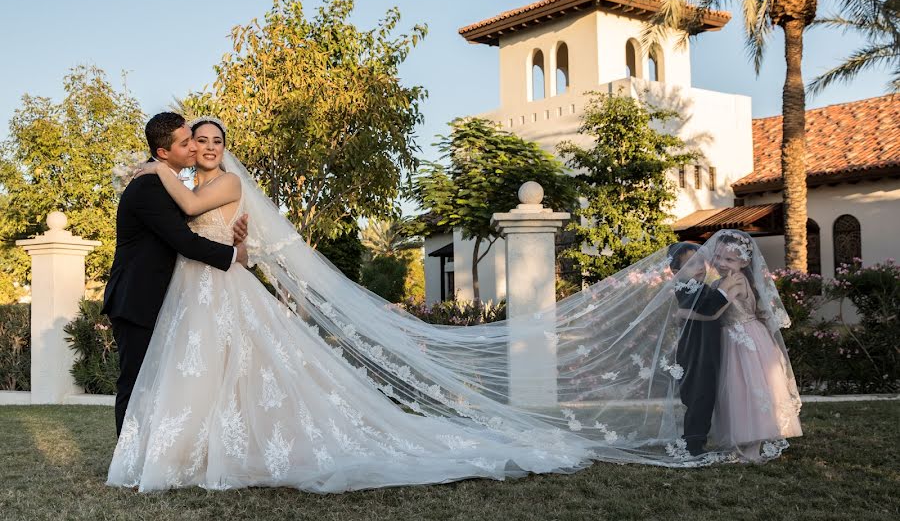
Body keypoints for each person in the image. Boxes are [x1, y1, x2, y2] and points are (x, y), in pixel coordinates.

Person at [107, 116, 803, 493]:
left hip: (220, 286)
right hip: (197, 290)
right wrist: (184, 196)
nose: (205, 148)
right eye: (197, 142)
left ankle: (213, 453)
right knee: (211, 371)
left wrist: (153, 171)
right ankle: (195, 451)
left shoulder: (216, 184)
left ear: (223, 151)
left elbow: (197, 209)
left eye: (214, 141)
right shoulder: (190, 181)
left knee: (233, 365)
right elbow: (207, 232)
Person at [102, 112, 249, 436]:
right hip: (137, 298)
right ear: (165, 152)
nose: (196, 149)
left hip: (166, 297)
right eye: (188, 143)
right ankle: (128, 460)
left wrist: (236, 236)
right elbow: (184, 241)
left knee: (159, 379)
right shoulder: (150, 185)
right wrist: (234, 253)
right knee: (136, 380)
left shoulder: (168, 183)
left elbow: (195, 218)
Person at [708, 230, 803, 459]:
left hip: (744, 339)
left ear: (744, 262)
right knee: (735, 390)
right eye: (718, 256)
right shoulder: (724, 280)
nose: (721, 263)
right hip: (733, 336)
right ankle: (738, 442)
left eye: (729, 259)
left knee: (747, 388)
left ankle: (752, 446)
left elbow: (713, 312)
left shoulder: (736, 281)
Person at [667, 242, 741, 456]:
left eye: (701, 262)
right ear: (676, 271)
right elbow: (709, 307)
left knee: (704, 393)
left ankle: (695, 439)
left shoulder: (697, 285)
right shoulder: (686, 286)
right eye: (691, 264)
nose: (700, 267)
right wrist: (727, 289)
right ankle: (693, 444)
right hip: (696, 349)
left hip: (703, 346)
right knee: (699, 394)